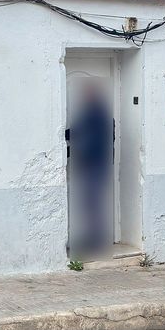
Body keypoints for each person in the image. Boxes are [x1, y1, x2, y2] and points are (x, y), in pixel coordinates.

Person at [69, 80, 113, 256]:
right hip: (92, 164)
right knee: (89, 203)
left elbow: (86, 135)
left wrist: (80, 151)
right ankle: (92, 238)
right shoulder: (93, 112)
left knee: (93, 203)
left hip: (95, 164)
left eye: (87, 94)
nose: (84, 97)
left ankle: (97, 240)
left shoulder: (97, 114)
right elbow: (77, 131)